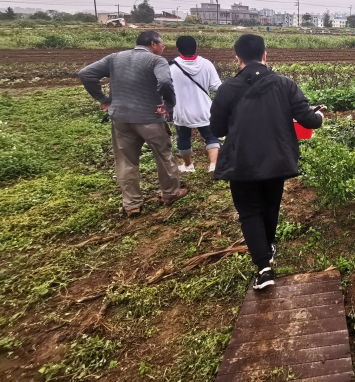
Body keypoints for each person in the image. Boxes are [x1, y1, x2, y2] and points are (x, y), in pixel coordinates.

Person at [210, 34, 324, 289]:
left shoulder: (228, 88)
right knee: (271, 205)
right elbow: (307, 119)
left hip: (241, 162)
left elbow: (216, 127)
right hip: (276, 160)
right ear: (265, 55)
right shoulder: (284, 84)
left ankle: (264, 267)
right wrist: (319, 117)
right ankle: (268, 248)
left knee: (249, 212)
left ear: (237, 58)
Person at [78, 30, 188, 217]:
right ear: (152, 44)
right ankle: (170, 193)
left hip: (121, 119)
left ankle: (132, 204)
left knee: (125, 160)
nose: (163, 47)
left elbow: (86, 73)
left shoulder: (115, 58)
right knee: (164, 156)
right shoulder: (156, 60)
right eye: (161, 43)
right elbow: (165, 82)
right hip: (150, 118)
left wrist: (103, 98)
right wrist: (169, 105)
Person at [170, 35, 222, 173]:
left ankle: (188, 166)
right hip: (204, 109)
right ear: (195, 47)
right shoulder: (206, 64)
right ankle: (213, 165)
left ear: (178, 48)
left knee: (183, 138)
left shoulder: (171, 66)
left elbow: (164, 87)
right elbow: (217, 86)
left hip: (182, 111)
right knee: (211, 136)